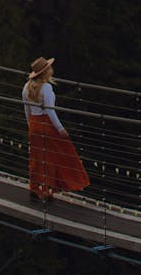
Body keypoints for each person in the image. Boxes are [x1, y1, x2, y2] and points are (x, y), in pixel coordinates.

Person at [22, 55, 90, 202]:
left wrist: (30, 125)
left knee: (36, 158)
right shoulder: (46, 88)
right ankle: (48, 191)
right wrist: (60, 128)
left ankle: (34, 188)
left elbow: (26, 109)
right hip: (46, 124)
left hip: (34, 123)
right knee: (52, 157)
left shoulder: (26, 87)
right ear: (46, 72)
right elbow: (50, 110)